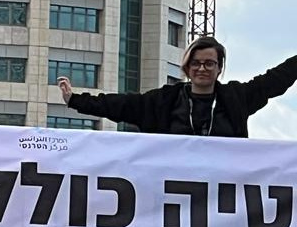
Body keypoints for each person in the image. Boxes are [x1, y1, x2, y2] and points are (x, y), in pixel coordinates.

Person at [57, 36, 297, 137]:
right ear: (187, 67)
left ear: (219, 68)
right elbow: (119, 105)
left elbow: (273, 80)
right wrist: (75, 100)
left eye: (209, 63)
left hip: (222, 194)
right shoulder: (164, 100)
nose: (202, 68)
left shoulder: (236, 98)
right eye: (196, 63)